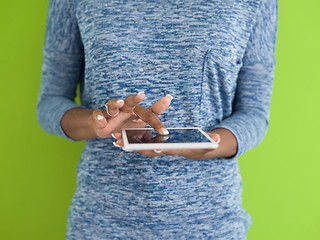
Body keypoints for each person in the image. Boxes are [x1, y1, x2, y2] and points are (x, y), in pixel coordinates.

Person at [37, 0, 278, 239]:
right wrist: (97, 122)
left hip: (211, 224)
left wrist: (213, 144)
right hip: (101, 222)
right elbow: (51, 101)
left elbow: (255, 112)